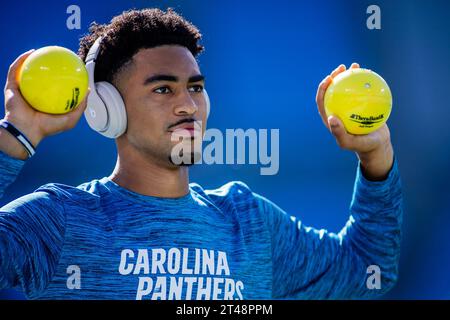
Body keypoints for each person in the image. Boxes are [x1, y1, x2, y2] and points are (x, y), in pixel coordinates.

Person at [0, 8, 402, 300]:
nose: (189, 106)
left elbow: (368, 270)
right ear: (106, 109)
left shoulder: (249, 220)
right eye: (163, 89)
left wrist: (376, 155)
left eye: (195, 87)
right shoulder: (61, 218)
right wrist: (14, 139)